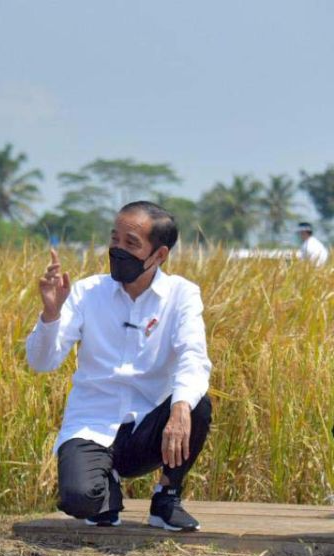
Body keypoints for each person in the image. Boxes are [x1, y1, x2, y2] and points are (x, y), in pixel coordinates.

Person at [26, 201, 212, 532]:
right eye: (115, 240)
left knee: (196, 404)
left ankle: (167, 499)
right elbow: (42, 362)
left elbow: (193, 356)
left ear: (159, 255)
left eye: (131, 243)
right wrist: (51, 314)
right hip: (92, 424)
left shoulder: (181, 295)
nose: (117, 250)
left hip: (147, 429)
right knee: (80, 500)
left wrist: (180, 407)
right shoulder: (86, 292)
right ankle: (105, 487)